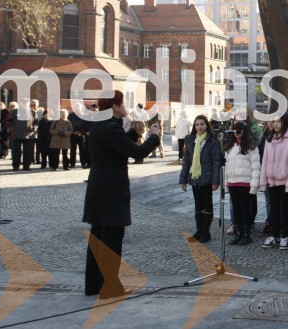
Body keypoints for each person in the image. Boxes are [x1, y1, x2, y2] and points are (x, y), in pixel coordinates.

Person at [82, 90, 160, 298]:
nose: (125, 107)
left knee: (98, 237)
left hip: (98, 187)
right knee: (111, 239)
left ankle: (94, 286)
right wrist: (154, 137)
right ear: (115, 107)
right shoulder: (111, 128)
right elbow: (137, 153)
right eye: (122, 103)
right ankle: (110, 287)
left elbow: (116, 148)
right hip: (112, 189)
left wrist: (133, 134)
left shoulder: (100, 126)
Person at [179, 115, 222, 243]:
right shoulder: (191, 140)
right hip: (195, 177)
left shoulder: (212, 140)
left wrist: (215, 181)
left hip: (207, 178)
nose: (200, 127)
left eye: (202, 124)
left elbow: (216, 162)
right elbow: (187, 161)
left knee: (207, 205)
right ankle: (199, 231)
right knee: (198, 205)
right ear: (194, 126)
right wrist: (183, 179)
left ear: (206, 125)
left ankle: (205, 232)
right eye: (197, 124)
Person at [260, 115, 288, 250]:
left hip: (284, 181)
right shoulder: (269, 139)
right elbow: (265, 161)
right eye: (273, 122)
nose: (275, 124)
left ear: (284, 122)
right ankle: (274, 235)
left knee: (286, 210)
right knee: (274, 209)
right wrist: (263, 181)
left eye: (278, 121)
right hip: (272, 180)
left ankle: (286, 236)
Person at [223, 121, 261, 245]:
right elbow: (227, 167)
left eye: (239, 129)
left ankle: (246, 235)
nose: (237, 132)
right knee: (236, 209)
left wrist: (254, 185)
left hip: (245, 183)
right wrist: (226, 184)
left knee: (245, 209)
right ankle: (239, 234)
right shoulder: (230, 147)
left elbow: (256, 166)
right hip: (232, 182)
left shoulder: (251, 146)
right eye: (235, 129)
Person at [9, 101, 37, 171]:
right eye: (23, 103)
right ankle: (16, 166)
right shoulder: (15, 112)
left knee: (27, 151)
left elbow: (36, 122)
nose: (25, 104)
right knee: (16, 152)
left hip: (29, 134)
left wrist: (34, 129)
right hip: (16, 134)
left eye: (26, 103)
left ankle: (26, 166)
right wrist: (13, 129)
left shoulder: (32, 111)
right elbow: (10, 121)